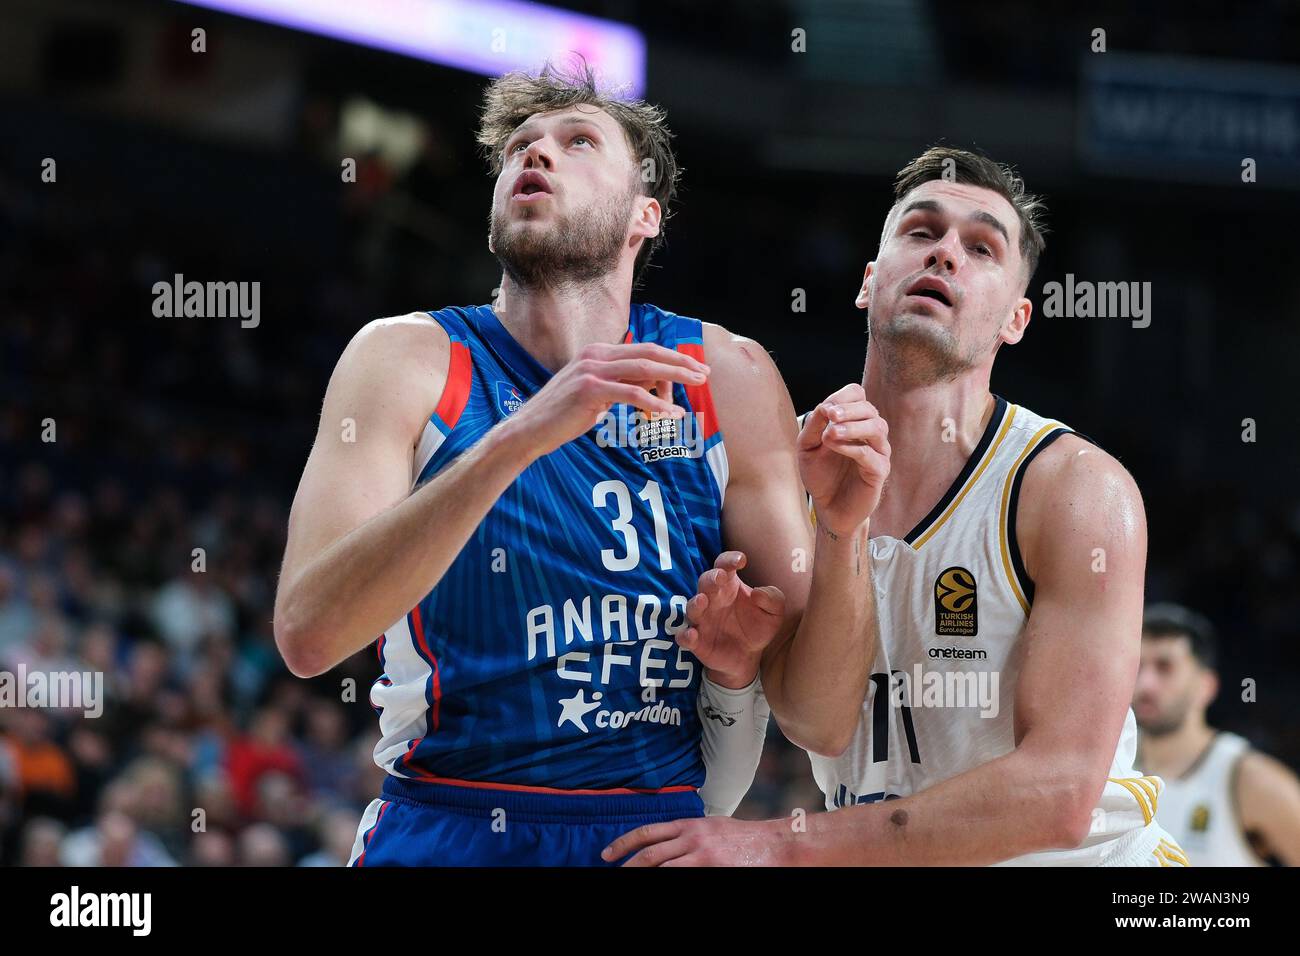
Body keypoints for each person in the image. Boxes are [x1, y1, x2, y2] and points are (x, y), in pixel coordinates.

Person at [273, 62, 888, 866]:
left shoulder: (726, 374)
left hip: (652, 836)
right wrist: (522, 433)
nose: (537, 155)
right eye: (520, 147)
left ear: (644, 216)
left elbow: (821, 719)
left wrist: (842, 536)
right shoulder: (406, 359)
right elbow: (308, 635)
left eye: (577, 142)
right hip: (451, 820)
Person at [606, 146, 1186, 866]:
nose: (945, 254)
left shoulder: (1073, 488)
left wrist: (782, 847)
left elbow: (1060, 793)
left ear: (1016, 318)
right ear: (869, 281)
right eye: (921, 232)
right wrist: (831, 542)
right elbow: (817, 726)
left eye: (981, 247)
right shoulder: (779, 471)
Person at [1135, 603, 1300, 865]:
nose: (1145, 684)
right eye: (1137, 666)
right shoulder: (1110, 768)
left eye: (1164, 667)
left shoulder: (1252, 779)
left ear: (1206, 687)